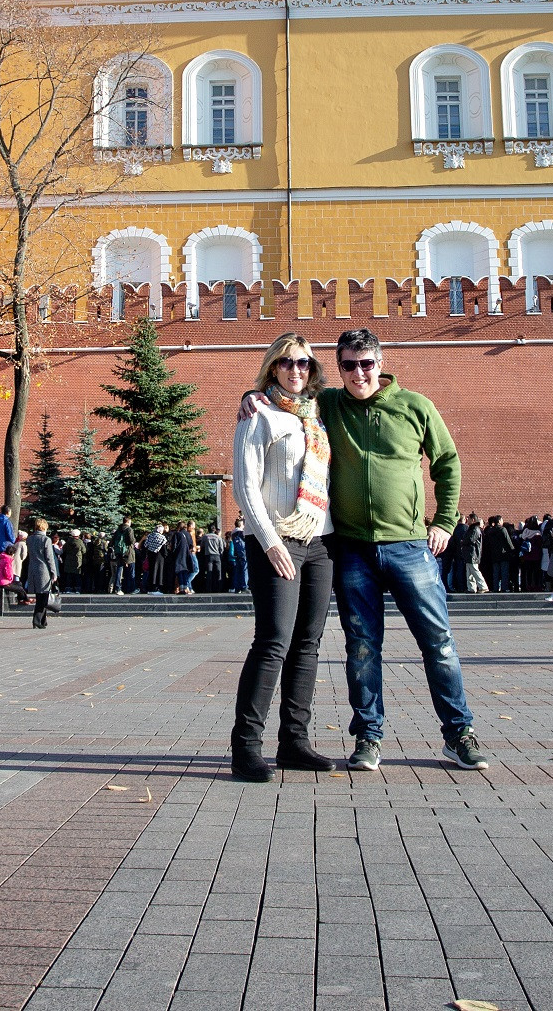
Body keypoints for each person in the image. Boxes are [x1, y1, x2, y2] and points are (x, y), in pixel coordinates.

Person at [245, 328, 486, 772]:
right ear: (337, 369)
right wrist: (251, 393)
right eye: (349, 365)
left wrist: (445, 522)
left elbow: (447, 463)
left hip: (410, 545)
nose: (359, 373)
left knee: (438, 643)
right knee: (361, 646)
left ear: (381, 362)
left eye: (367, 363)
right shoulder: (329, 406)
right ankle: (368, 738)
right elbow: (285, 396)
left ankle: (459, 734)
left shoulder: (416, 407)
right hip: (352, 549)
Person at [230, 333, 339, 781]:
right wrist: (271, 542)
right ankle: (245, 747)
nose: (297, 371)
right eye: (288, 363)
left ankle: (294, 742)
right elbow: (245, 485)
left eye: (304, 364)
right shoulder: (259, 415)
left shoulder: (319, 415)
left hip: (321, 543)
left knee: (307, 646)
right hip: (277, 542)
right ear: (273, 367)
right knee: (273, 641)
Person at [21, 517, 58, 626]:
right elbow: (50, 558)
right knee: (43, 598)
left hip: (32, 570)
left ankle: (43, 621)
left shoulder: (30, 539)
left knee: (40, 596)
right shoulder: (46, 540)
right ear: (44, 527)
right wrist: (54, 573)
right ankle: (36, 620)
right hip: (44, 571)